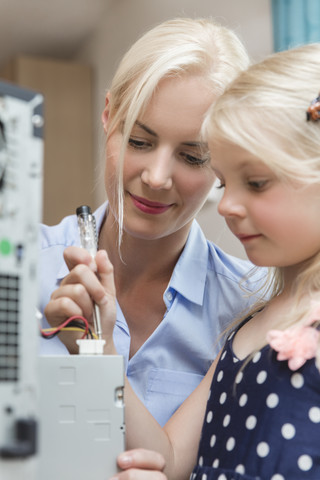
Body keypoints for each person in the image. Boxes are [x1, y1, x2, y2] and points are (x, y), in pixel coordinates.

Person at [104, 43, 320, 479]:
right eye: (223, 183)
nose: (225, 206)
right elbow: (166, 460)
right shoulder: (249, 324)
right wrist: (103, 347)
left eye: (256, 183)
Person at [39, 17, 265, 427]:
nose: (157, 178)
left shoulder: (250, 309)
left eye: (193, 156)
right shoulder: (20, 269)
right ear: (108, 115)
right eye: (139, 142)